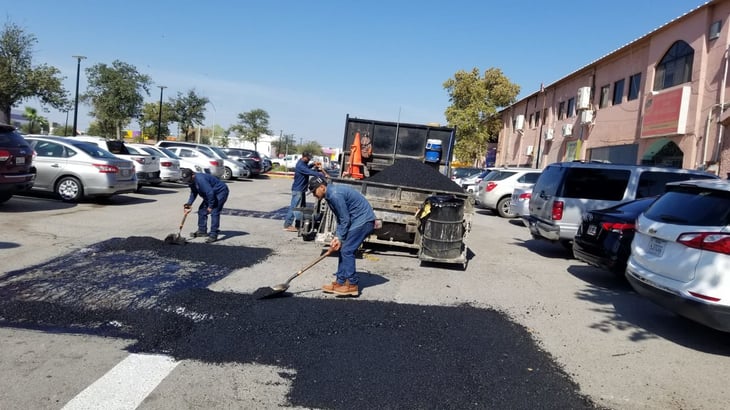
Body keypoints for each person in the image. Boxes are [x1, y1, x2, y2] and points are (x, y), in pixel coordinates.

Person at [308, 176, 375, 297]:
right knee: (342, 249)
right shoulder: (330, 195)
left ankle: (352, 285)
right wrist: (337, 237)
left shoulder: (334, 195)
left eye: (314, 191)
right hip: (356, 221)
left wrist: (339, 237)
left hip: (363, 221)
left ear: (322, 187)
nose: (313, 194)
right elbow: (340, 218)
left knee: (347, 250)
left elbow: (345, 219)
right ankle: (340, 281)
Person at [181, 168, 229, 243]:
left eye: (189, 179)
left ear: (193, 175)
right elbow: (193, 192)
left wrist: (210, 206)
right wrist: (189, 203)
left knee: (214, 212)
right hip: (211, 193)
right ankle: (202, 231)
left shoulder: (201, 180)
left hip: (220, 192)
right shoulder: (192, 181)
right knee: (201, 211)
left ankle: (213, 234)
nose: (188, 181)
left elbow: (210, 193)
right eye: (187, 180)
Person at [283, 152, 326, 232]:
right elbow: (309, 172)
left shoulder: (303, 163)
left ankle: (298, 225)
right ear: (304, 157)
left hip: (301, 190)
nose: (309, 159)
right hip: (298, 190)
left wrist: (313, 164)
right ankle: (287, 225)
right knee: (294, 208)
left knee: (301, 209)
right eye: (308, 158)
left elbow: (307, 168)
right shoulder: (300, 165)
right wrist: (322, 174)